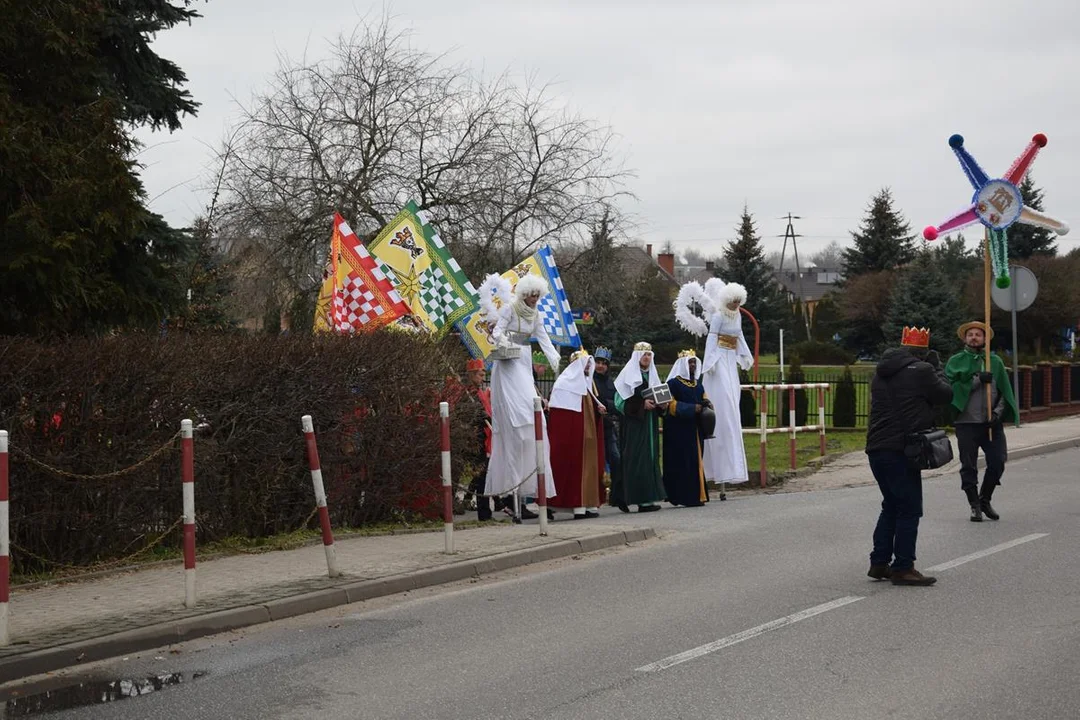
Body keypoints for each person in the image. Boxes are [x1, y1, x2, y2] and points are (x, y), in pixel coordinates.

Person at [865, 326, 954, 586]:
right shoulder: (923, 371)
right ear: (923, 353)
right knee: (909, 508)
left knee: (891, 505)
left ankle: (879, 562)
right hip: (902, 449)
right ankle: (903, 567)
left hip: (877, 449)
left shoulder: (881, 373)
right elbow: (945, 395)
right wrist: (937, 368)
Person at [486, 274, 559, 513]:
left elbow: (544, 337)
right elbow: (497, 331)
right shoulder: (510, 309)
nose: (535, 299)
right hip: (508, 361)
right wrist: (504, 342)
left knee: (532, 414)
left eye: (539, 296)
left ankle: (525, 491)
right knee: (517, 415)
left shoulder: (535, 314)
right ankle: (510, 495)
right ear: (525, 294)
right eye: (532, 295)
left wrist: (553, 356)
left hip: (524, 359)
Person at [946, 321, 1017, 522]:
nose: (974, 337)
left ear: (985, 339)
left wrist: (997, 413)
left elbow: (1004, 391)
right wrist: (977, 380)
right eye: (971, 334)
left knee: (997, 461)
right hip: (967, 423)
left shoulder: (995, 362)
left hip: (990, 423)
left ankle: (985, 499)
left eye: (978, 334)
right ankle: (974, 505)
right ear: (965, 338)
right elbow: (951, 388)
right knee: (968, 465)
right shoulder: (956, 361)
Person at [700, 283, 754, 487]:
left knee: (733, 399)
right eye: (733, 302)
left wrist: (745, 356)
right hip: (720, 358)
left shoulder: (737, 315)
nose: (736, 306)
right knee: (724, 398)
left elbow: (739, 336)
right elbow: (711, 340)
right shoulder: (718, 316)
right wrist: (710, 363)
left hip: (731, 358)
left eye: (739, 303)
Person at [548, 350, 606, 519]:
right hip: (574, 438)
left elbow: (590, 409)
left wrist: (598, 410)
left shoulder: (587, 386)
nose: (589, 366)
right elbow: (562, 419)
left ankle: (589, 503)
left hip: (589, 437)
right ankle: (576, 504)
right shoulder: (564, 384)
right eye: (586, 363)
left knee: (591, 468)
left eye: (589, 363)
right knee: (575, 468)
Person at [612, 342, 666, 513]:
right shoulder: (627, 376)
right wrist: (642, 405)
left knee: (650, 458)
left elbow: (658, 397)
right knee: (636, 458)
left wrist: (661, 406)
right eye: (643, 354)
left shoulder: (652, 376)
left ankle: (648, 498)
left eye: (649, 354)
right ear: (636, 357)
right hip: (634, 426)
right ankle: (637, 498)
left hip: (649, 425)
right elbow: (619, 403)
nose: (647, 358)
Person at [663, 350, 711, 507]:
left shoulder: (698, 384)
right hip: (678, 430)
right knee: (683, 462)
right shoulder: (673, 383)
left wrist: (706, 405)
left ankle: (697, 495)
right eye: (689, 363)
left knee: (695, 460)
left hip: (695, 429)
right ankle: (683, 496)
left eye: (694, 363)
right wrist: (692, 409)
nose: (692, 366)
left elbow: (704, 398)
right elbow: (670, 405)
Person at [461, 359, 495, 521]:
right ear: (473, 374)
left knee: (481, 474)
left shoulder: (478, 392)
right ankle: (483, 511)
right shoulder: (464, 393)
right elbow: (462, 414)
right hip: (471, 439)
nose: (483, 377)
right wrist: (476, 415)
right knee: (479, 474)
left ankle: (484, 510)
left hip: (481, 436)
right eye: (481, 374)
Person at [592, 347, 622, 509]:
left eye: (604, 363)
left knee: (616, 460)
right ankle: (596, 496)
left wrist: (608, 406)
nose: (600, 366)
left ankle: (616, 496)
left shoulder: (611, 383)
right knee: (594, 463)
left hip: (608, 428)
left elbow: (617, 404)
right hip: (593, 428)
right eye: (598, 362)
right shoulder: (589, 381)